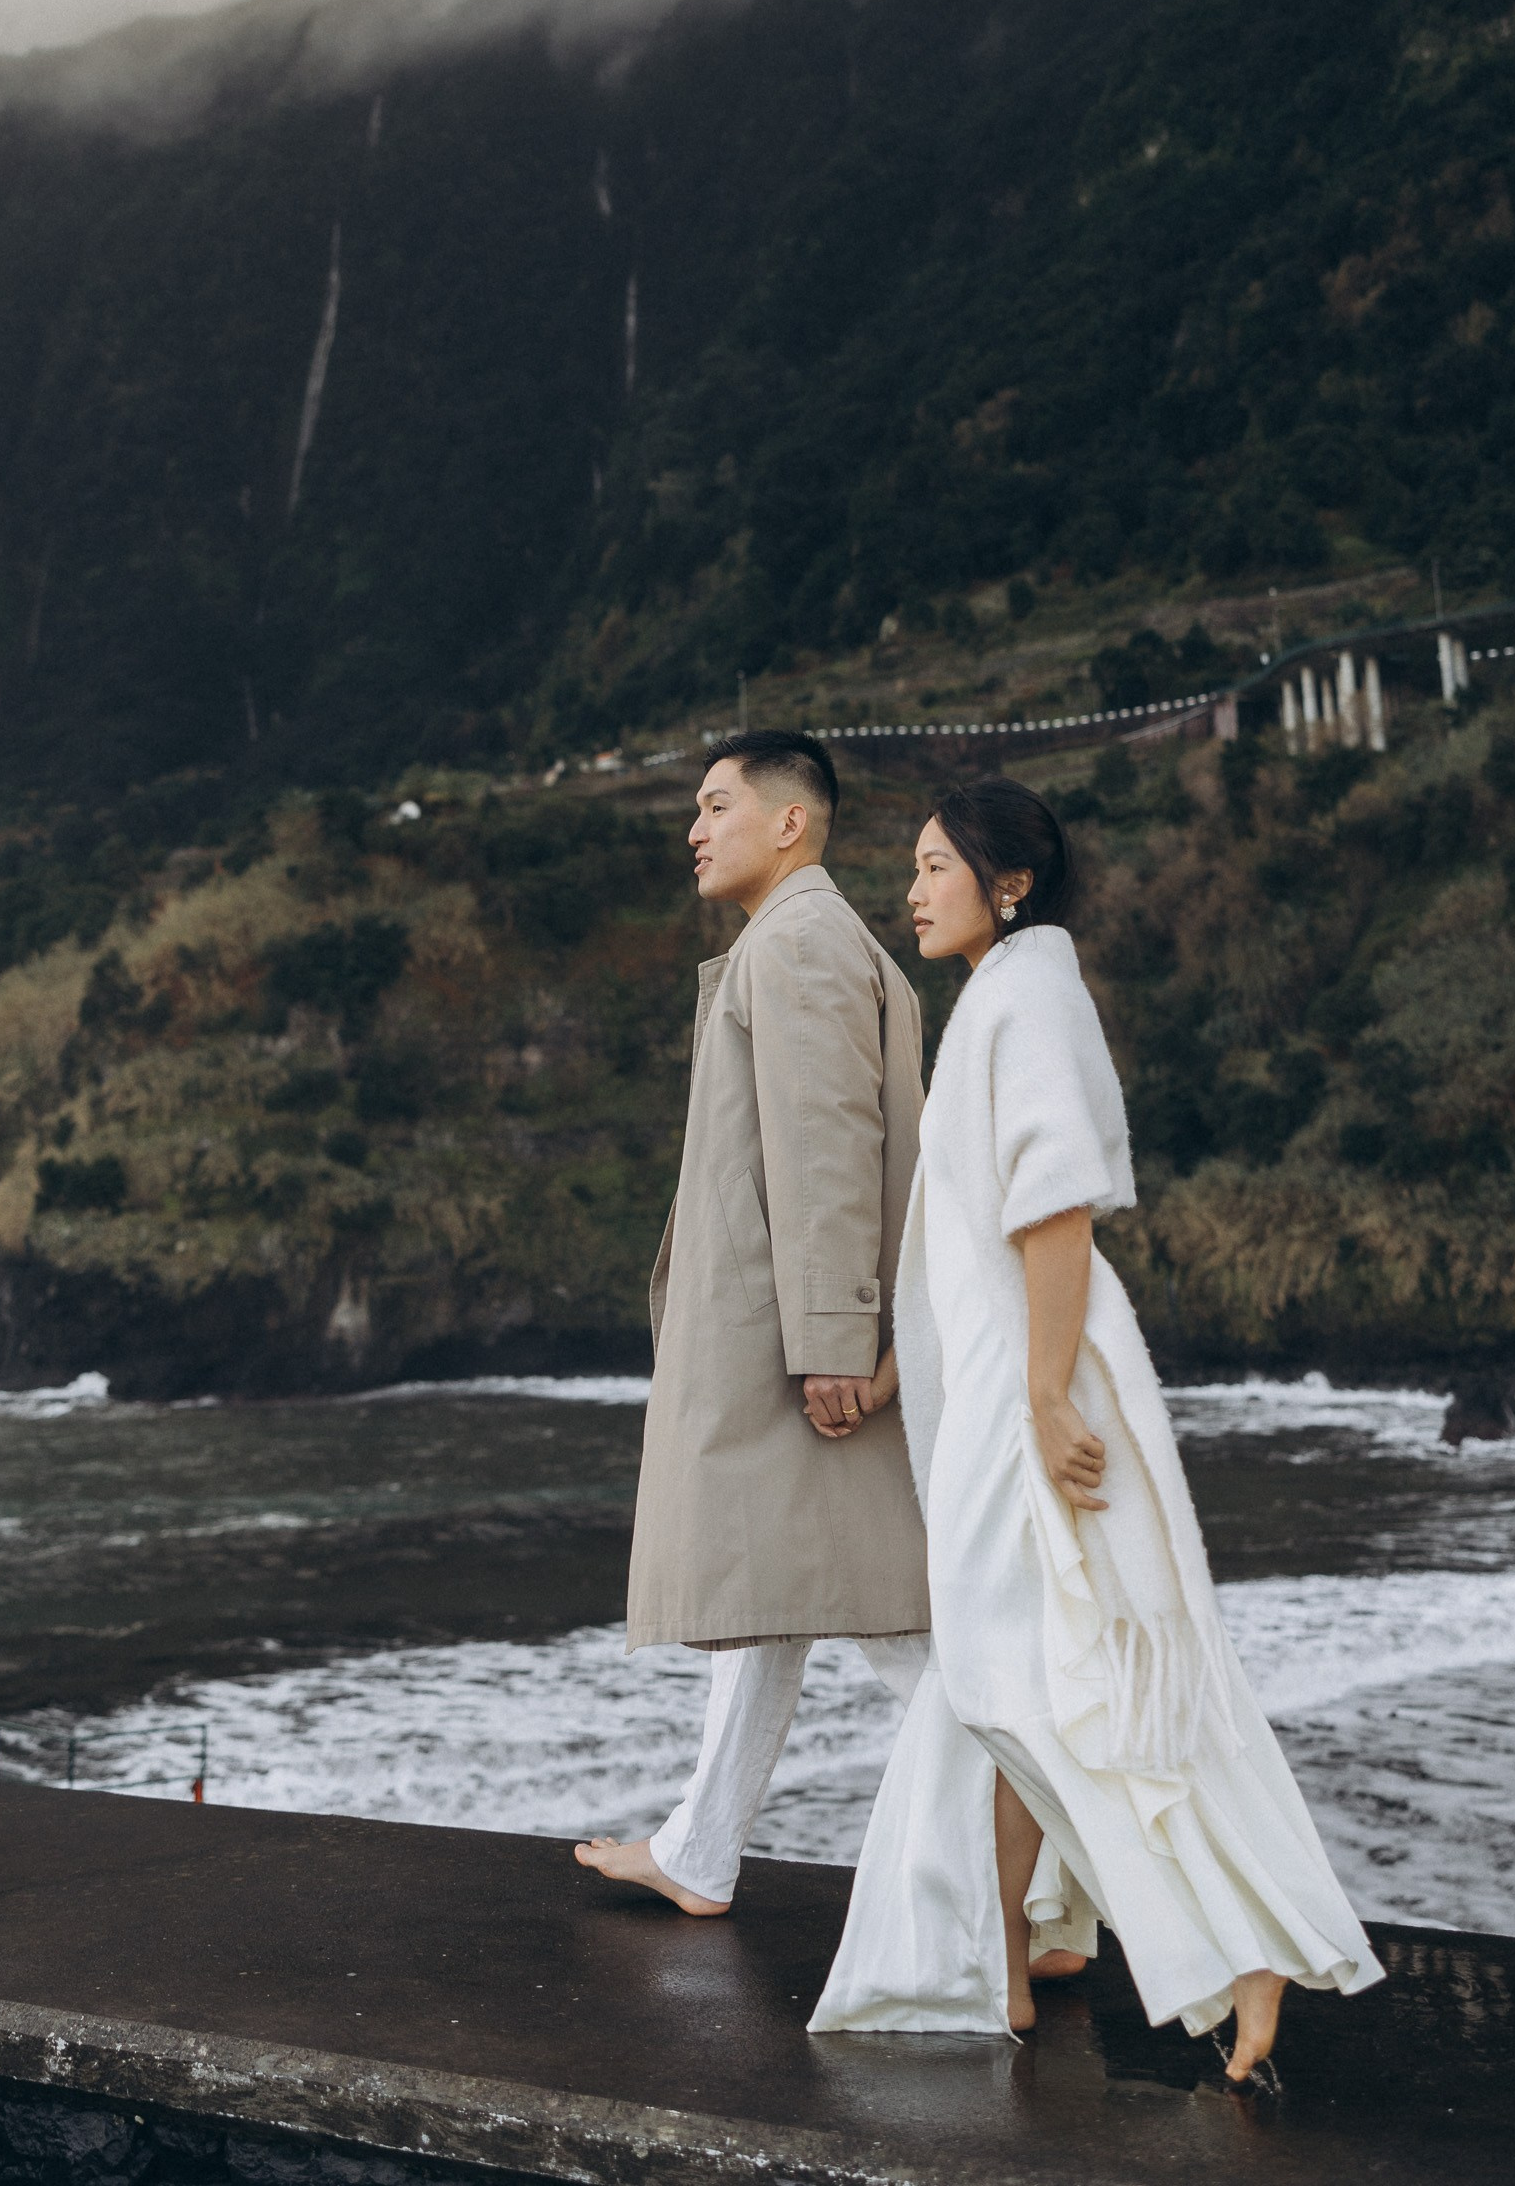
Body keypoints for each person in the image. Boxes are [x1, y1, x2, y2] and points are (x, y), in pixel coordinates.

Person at [811, 776, 1382, 2088]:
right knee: (1012, 1679)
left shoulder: (1032, 996)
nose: (912, 890)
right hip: (999, 1384)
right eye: (913, 867)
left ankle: (1229, 1943)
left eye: (934, 866)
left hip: (1033, 1388)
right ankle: (1017, 1955)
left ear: (1007, 882)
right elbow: (962, 1247)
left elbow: (1054, 1213)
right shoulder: (994, 1000)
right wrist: (900, 1375)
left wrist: (1047, 1394)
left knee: (1021, 1679)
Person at [575, 729, 930, 1916]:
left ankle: (1057, 1878)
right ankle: (700, 1845)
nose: (693, 829)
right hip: (784, 1333)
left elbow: (828, 1151)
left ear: (788, 821)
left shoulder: (799, 944)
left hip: (796, 1342)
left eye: (715, 804)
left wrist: (831, 1340)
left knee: (901, 1630)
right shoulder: (792, 939)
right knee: (777, 1585)